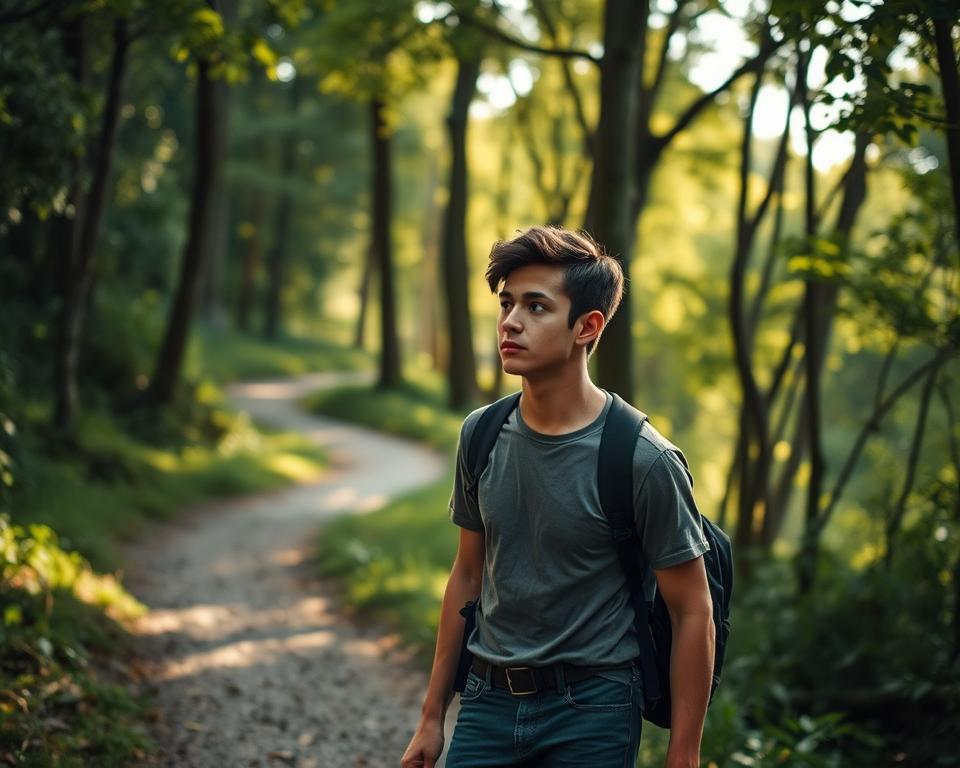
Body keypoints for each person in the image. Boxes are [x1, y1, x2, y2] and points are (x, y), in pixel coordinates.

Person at [400, 225, 715, 768]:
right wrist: (432, 716)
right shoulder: (481, 435)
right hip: (485, 701)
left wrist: (683, 755)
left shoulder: (643, 459)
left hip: (593, 709)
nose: (511, 322)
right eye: (507, 304)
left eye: (537, 307)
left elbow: (693, 610)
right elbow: (468, 576)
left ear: (586, 327)